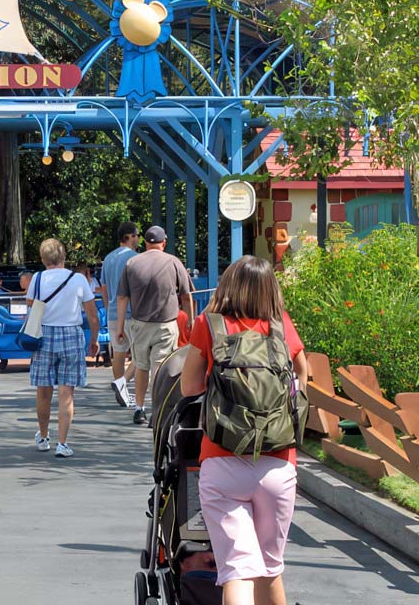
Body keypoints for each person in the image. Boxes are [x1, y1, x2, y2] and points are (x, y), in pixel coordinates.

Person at [180, 256, 308, 605]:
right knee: (270, 568)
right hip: (278, 464)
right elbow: (302, 380)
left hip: (222, 461)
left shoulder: (210, 324)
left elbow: (189, 387)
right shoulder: (280, 325)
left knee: (237, 569)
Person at [27, 238, 99, 458]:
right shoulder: (78, 279)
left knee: (43, 390)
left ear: (43, 258)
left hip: (44, 335)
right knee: (67, 392)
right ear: (64, 257)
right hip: (70, 334)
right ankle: (63, 443)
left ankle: (43, 435)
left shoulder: (37, 278)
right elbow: (92, 314)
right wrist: (94, 339)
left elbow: (30, 305)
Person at [117, 226, 194, 426]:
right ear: (164, 242)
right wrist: (191, 322)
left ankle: (139, 408)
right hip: (166, 324)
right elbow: (186, 296)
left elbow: (122, 297)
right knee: (159, 368)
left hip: (139, 324)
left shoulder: (132, 263)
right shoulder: (173, 262)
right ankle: (157, 411)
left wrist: (119, 328)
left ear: (146, 243)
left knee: (141, 366)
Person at [100, 222, 140, 407]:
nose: (139, 239)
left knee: (119, 351)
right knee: (142, 352)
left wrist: (109, 308)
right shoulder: (135, 258)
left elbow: (104, 288)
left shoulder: (108, 259)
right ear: (129, 236)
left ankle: (121, 390)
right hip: (132, 311)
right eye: (137, 235)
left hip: (113, 312)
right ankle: (123, 383)